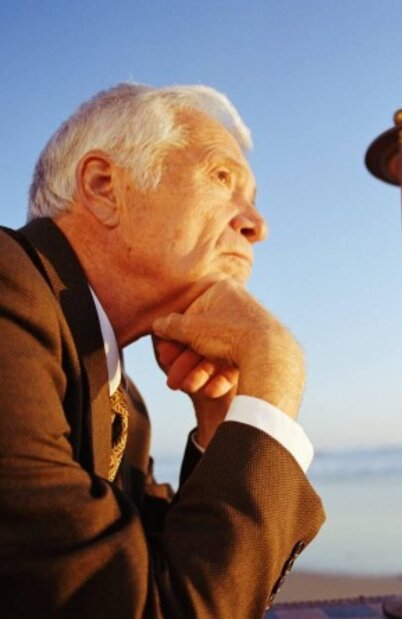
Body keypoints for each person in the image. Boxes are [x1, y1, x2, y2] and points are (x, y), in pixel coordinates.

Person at [0, 83, 325, 618]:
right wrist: (274, 370)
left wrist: (227, 419)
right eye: (223, 179)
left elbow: (166, 568)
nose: (256, 225)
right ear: (104, 186)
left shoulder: (121, 395)